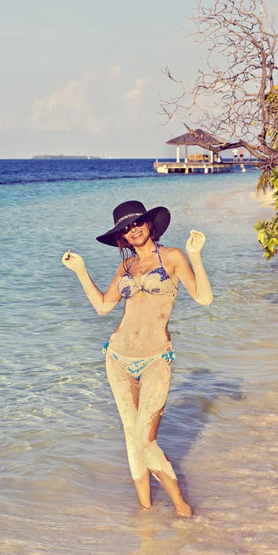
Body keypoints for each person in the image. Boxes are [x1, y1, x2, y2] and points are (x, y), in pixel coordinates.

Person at [62, 200, 213, 516]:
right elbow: (104, 306)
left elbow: (203, 298)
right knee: (132, 438)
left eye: (136, 223)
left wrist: (196, 257)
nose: (132, 230)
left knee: (146, 440)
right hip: (117, 357)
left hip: (156, 357)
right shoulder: (125, 267)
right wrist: (81, 271)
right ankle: (145, 511)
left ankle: (183, 508)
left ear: (149, 223)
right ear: (121, 237)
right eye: (125, 228)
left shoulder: (172, 256)